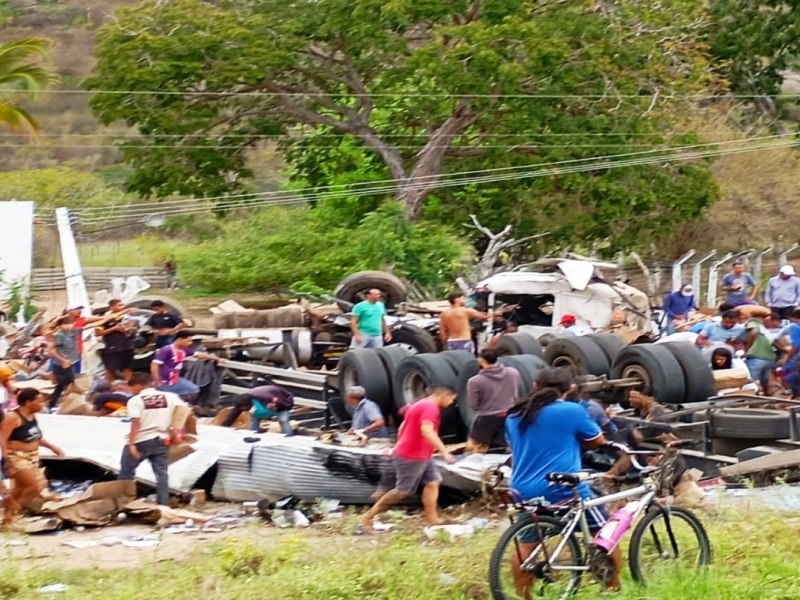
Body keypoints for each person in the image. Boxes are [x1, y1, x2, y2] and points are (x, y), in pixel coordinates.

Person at [504, 368, 617, 593]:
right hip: (562, 488)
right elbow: (598, 440)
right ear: (570, 389)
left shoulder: (515, 415)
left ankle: (522, 596)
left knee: (526, 547)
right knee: (606, 534)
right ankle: (615, 590)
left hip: (523, 490)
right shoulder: (571, 410)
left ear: (535, 385)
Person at [361, 386, 457, 532]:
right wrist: (444, 451)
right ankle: (368, 517)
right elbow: (426, 430)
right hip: (413, 456)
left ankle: (432, 519)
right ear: (444, 395)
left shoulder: (419, 404)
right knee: (402, 491)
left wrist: (404, 443)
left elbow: (402, 428)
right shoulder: (430, 408)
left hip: (420, 453)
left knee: (433, 482)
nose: (451, 402)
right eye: (451, 399)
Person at [118, 373, 185, 506]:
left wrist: (131, 444)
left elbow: (136, 422)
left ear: (139, 385)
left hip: (142, 440)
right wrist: (176, 431)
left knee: (126, 472)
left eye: (132, 387)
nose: (131, 390)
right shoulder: (170, 397)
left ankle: (124, 503)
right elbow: (183, 411)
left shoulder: (136, 400)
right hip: (162, 439)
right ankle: (163, 505)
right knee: (162, 474)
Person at [1, 388, 65, 525]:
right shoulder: (13, 417)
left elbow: (36, 437)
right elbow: (3, 437)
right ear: (28, 402)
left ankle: (6, 517)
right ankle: (13, 512)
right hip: (16, 456)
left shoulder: (33, 416)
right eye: (39, 401)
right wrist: (5, 457)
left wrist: (53, 448)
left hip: (32, 456)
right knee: (34, 486)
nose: (42, 404)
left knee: (19, 488)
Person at [465, 349, 521, 452]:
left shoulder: (475, 381)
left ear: (481, 360)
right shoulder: (513, 373)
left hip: (486, 419)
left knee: (476, 451)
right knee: (502, 450)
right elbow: (517, 391)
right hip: (509, 416)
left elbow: (473, 404)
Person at [151, 331, 218, 398]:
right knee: (167, 396)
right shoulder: (166, 350)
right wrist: (157, 380)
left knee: (193, 389)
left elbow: (199, 354)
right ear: (180, 339)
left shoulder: (184, 350)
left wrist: (216, 358)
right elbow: (155, 364)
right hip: (164, 381)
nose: (190, 343)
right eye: (188, 341)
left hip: (175, 379)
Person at [96, 299, 136, 383]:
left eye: (123, 305)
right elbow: (98, 333)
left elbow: (132, 328)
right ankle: (107, 387)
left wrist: (129, 328)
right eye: (119, 305)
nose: (123, 307)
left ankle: (129, 386)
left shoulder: (127, 317)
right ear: (112, 307)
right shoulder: (106, 319)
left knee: (127, 368)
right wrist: (114, 328)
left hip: (127, 346)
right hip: (113, 347)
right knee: (111, 369)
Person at [47, 316, 81, 411]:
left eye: (70, 323)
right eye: (66, 324)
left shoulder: (70, 333)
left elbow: (89, 325)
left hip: (68, 362)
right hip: (61, 364)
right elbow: (51, 350)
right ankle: (65, 404)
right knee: (69, 383)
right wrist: (63, 360)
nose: (69, 326)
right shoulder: (60, 335)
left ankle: (53, 403)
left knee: (63, 384)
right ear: (61, 325)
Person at [744, 313, 781, 395]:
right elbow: (776, 344)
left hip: (756, 357)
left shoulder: (754, 323)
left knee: (751, 380)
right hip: (770, 358)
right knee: (765, 380)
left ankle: (752, 399)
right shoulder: (769, 331)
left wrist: (747, 349)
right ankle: (766, 397)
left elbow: (754, 332)